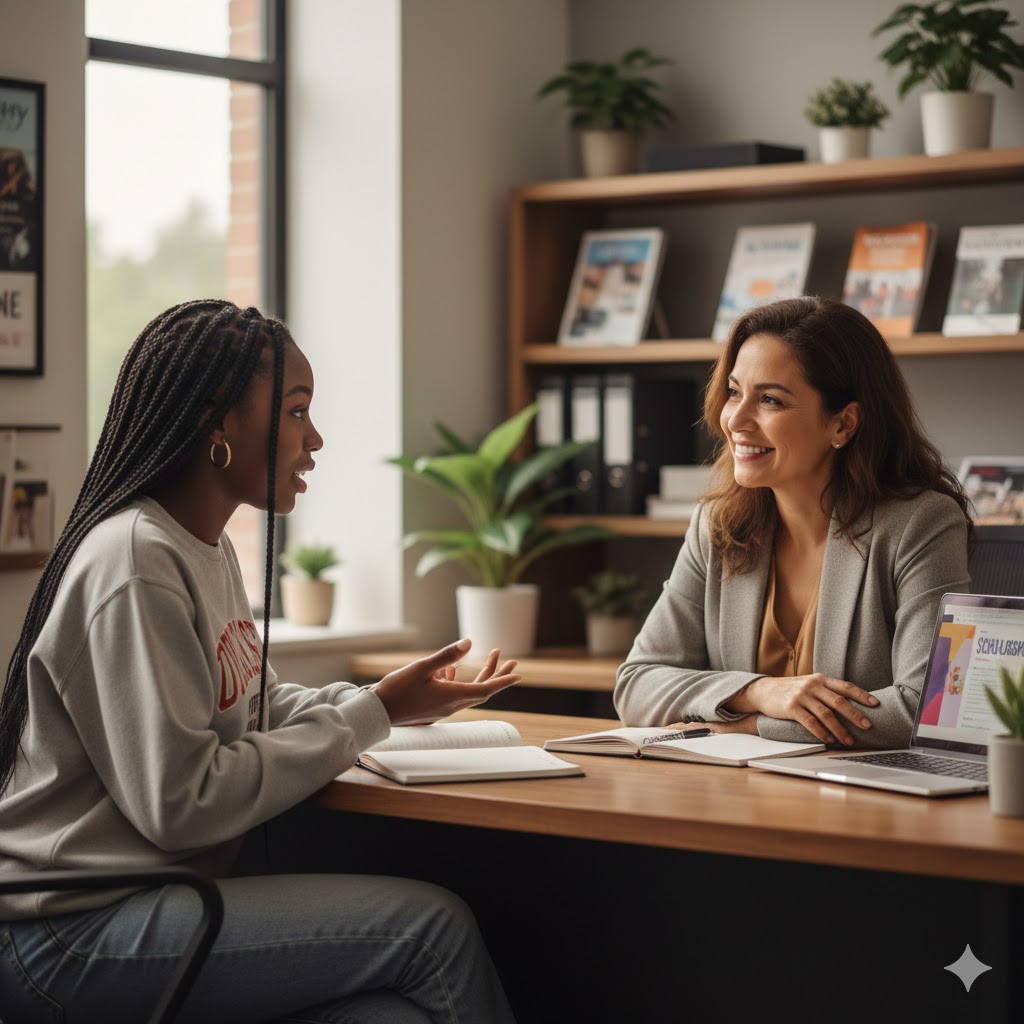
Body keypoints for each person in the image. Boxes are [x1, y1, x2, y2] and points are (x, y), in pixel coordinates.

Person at [0, 299, 520, 1024]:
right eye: (297, 412)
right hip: (68, 933)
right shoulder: (135, 561)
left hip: (145, 907)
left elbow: (257, 707)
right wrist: (372, 715)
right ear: (220, 422)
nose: (316, 440)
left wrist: (390, 702)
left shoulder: (201, 546)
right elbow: (182, 804)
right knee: (432, 931)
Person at [615, 296, 972, 751]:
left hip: (859, 803)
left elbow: (927, 709)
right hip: (733, 796)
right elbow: (636, 684)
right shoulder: (717, 524)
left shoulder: (921, 523)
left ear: (843, 424)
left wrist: (748, 725)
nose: (736, 420)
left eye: (770, 400)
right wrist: (756, 692)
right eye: (733, 391)